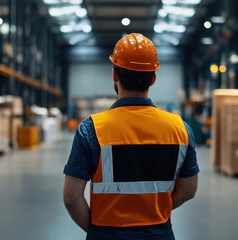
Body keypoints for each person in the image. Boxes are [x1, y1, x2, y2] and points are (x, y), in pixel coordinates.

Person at [63, 33, 199, 240]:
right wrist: (155, 213)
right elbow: (188, 190)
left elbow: (71, 198)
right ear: (153, 78)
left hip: (107, 233)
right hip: (159, 232)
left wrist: (96, 231)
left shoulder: (91, 129)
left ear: (114, 75)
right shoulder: (180, 128)